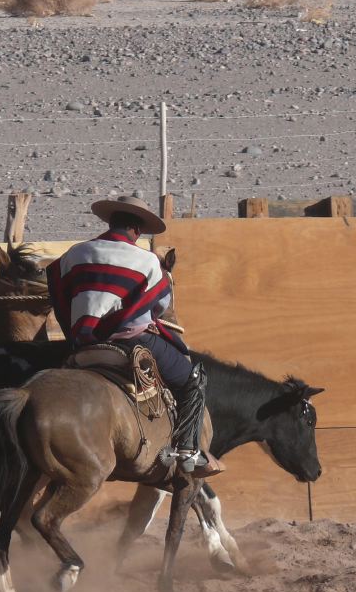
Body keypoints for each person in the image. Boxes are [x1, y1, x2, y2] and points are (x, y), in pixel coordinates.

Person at [47, 195, 224, 478]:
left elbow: (56, 290)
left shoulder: (74, 254)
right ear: (137, 230)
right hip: (130, 341)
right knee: (194, 378)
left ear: (111, 222)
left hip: (83, 343)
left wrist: (81, 328)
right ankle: (189, 451)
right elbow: (159, 307)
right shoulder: (149, 262)